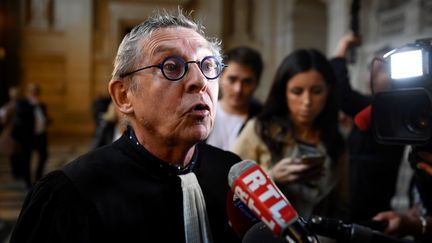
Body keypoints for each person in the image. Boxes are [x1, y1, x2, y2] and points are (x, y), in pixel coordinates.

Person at [10, 9, 241, 243]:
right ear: (123, 96)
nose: (200, 81)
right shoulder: (68, 196)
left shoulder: (233, 175)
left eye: (208, 65)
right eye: (171, 67)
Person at [232, 49, 349, 223]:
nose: (307, 101)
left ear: (329, 91)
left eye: (316, 91)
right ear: (284, 92)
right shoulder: (260, 130)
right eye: (297, 91)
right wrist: (272, 178)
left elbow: (342, 204)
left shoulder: (336, 139)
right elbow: (232, 187)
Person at [330, 33, 406, 223]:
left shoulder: (391, 105)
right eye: (370, 67)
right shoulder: (377, 108)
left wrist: (343, 45)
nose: (371, 74)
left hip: (368, 206)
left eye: (381, 70)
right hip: (359, 198)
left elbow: (343, 95)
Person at [206, 46, 263, 151]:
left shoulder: (264, 121)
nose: (238, 89)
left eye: (247, 82)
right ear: (220, 76)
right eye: (232, 79)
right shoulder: (204, 112)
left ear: (257, 83)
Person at [10, 83, 50, 187]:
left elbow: (44, 117)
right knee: (27, 158)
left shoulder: (41, 104)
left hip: (40, 135)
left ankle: (38, 176)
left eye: (37, 92)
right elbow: (21, 113)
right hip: (27, 136)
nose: (35, 93)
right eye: (33, 91)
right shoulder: (22, 102)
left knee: (44, 155)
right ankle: (28, 181)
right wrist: (33, 105)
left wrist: (47, 121)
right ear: (28, 92)